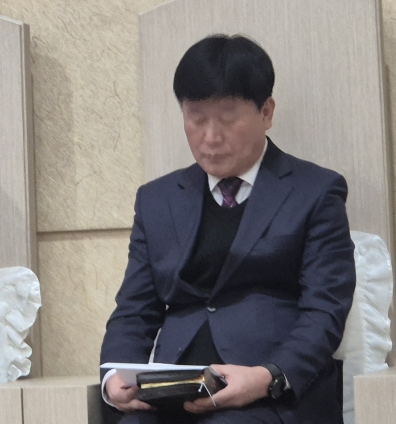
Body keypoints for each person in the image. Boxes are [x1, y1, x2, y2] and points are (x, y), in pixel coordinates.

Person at [100, 34, 356, 424]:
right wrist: (114, 377)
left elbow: (324, 310)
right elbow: (134, 311)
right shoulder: (157, 200)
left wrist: (267, 376)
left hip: (270, 397)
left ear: (266, 112)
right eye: (196, 118)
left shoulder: (316, 191)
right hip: (171, 394)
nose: (210, 137)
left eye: (227, 118)